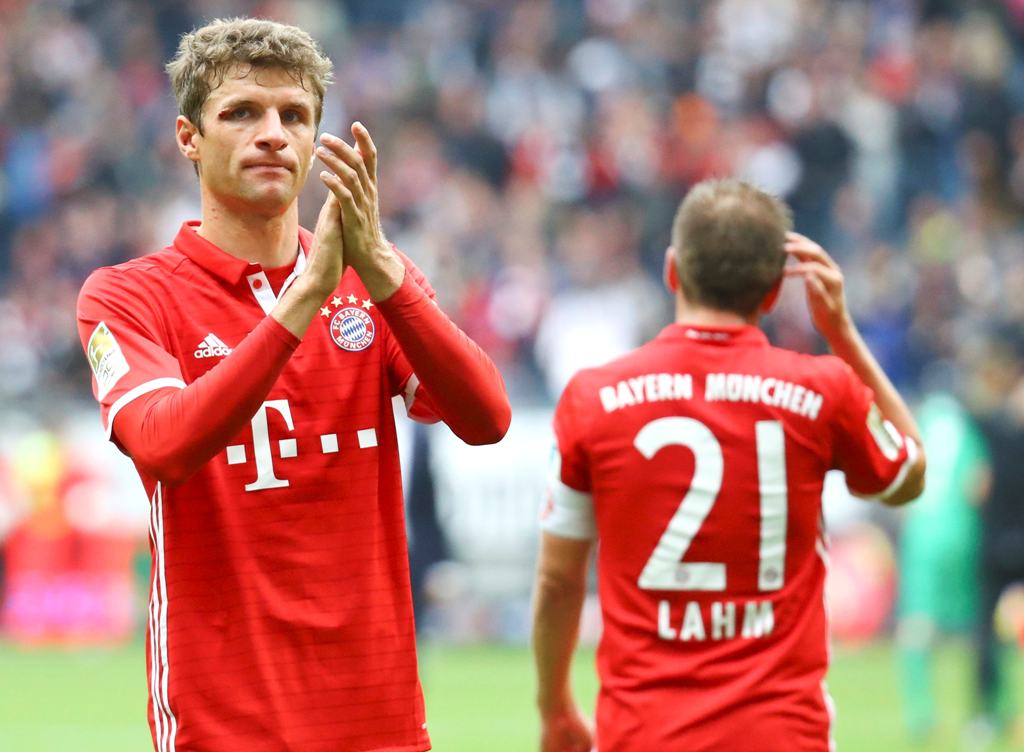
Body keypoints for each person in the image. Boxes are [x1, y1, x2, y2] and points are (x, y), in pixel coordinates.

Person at [75, 17, 510, 752]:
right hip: (225, 722)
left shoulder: (373, 279)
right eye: (242, 112)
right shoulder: (128, 296)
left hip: (379, 719)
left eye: (294, 116)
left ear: (317, 142)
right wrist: (302, 297)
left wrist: (385, 278)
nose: (272, 133)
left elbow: (486, 416)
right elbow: (163, 445)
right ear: (189, 137)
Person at [531, 179, 926, 752]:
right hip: (782, 735)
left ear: (672, 271)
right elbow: (909, 474)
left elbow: (558, 581)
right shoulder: (822, 390)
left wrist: (555, 709)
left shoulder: (593, 399)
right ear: (771, 295)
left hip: (643, 734)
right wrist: (840, 333)